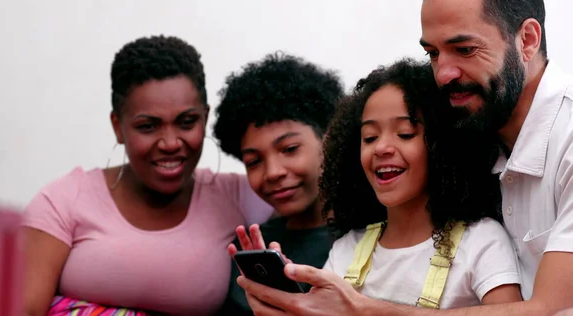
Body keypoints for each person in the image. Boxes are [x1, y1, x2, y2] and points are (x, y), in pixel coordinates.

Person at [237, 0, 573, 315]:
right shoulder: (480, 132)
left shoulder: (563, 140)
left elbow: (551, 310)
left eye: (465, 49)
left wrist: (360, 308)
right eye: (432, 53)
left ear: (527, 39)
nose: (443, 74)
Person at [235, 57, 521, 311]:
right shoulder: (347, 248)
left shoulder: (482, 242)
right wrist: (290, 298)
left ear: (444, 145)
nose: (382, 147)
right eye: (369, 137)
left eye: (405, 133)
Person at [21, 35, 274, 316]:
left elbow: (315, 201)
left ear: (205, 118)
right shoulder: (64, 200)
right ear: (118, 127)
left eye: (187, 122)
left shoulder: (238, 197)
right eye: (148, 126)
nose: (170, 143)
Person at [213, 52, 343, 315]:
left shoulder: (372, 235)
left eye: (289, 148)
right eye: (253, 161)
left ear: (329, 138)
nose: (272, 172)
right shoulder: (252, 250)